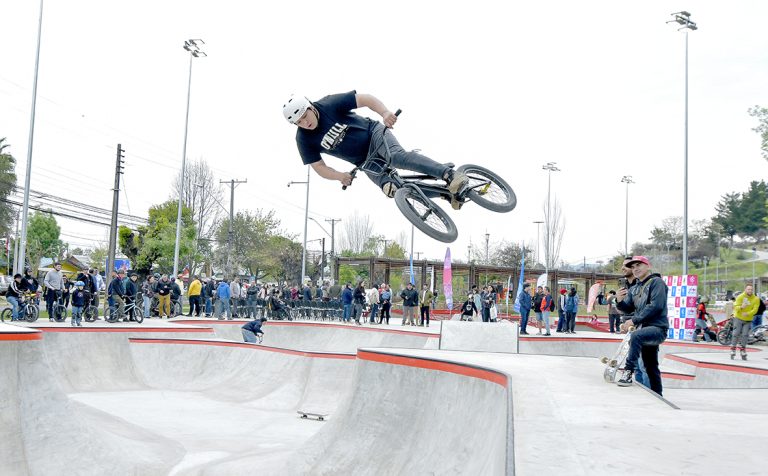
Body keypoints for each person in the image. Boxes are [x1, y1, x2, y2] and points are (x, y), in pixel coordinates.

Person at [283, 91, 469, 209]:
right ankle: (446, 193)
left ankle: (450, 175)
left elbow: (364, 99)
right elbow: (319, 167)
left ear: (310, 107)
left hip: (374, 134)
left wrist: (385, 113)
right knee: (392, 189)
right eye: (298, 122)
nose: (304, 123)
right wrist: (339, 176)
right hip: (364, 161)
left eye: (304, 116)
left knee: (395, 157)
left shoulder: (328, 105)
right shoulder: (303, 139)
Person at [615, 256, 669, 396]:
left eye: (639, 265)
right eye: (633, 267)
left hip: (657, 328)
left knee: (637, 336)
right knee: (650, 365)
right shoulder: (635, 288)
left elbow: (656, 306)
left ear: (648, 266)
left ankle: (628, 371)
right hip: (643, 328)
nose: (635, 269)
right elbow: (628, 308)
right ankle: (657, 395)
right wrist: (619, 301)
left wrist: (633, 321)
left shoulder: (657, 283)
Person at [731, 284, 760, 360]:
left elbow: (755, 309)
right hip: (738, 318)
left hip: (748, 319)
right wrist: (741, 307)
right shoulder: (740, 297)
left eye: (751, 289)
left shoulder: (756, 299)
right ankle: (733, 348)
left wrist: (748, 313)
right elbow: (735, 307)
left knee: (745, 335)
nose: (750, 291)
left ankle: (743, 349)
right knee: (736, 333)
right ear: (745, 289)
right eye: (748, 289)